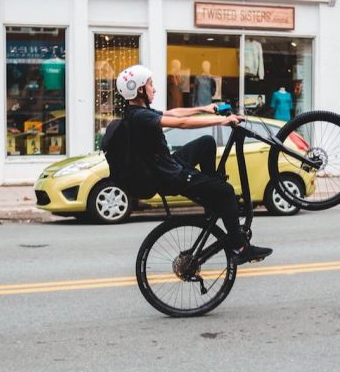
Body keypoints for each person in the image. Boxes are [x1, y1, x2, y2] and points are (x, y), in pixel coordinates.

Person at [116, 64, 272, 265]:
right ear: (139, 90)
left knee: (206, 143)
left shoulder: (138, 111)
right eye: (150, 85)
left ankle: (212, 202)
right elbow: (180, 124)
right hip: (170, 176)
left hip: (167, 165)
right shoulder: (140, 116)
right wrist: (220, 121)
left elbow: (176, 113)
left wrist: (204, 109)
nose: (154, 88)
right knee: (225, 191)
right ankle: (240, 247)